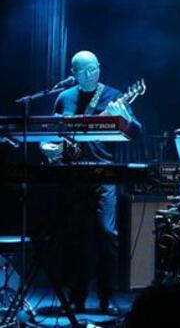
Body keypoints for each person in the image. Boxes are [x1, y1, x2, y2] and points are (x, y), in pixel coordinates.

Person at [40, 50, 142, 314]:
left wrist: (125, 118)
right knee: (74, 236)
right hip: (72, 175)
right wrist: (46, 147)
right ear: (73, 73)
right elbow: (51, 134)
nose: (91, 74)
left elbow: (137, 132)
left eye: (94, 68)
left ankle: (107, 296)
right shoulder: (64, 98)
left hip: (104, 174)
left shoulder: (114, 96)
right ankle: (77, 297)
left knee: (106, 233)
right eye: (84, 71)